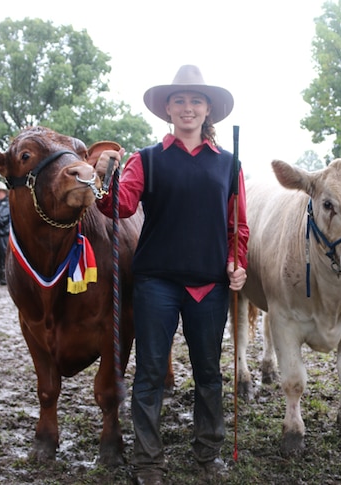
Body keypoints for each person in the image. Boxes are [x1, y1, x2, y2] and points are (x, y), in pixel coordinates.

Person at [94, 64, 248, 485]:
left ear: (208, 110)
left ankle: (208, 453)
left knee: (208, 372)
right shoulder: (145, 160)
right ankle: (148, 462)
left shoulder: (229, 164)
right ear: (167, 108)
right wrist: (106, 176)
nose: (187, 108)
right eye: (179, 100)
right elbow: (119, 207)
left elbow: (238, 226)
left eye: (196, 101)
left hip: (210, 286)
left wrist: (238, 263)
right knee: (149, 373)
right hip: (156, 283)